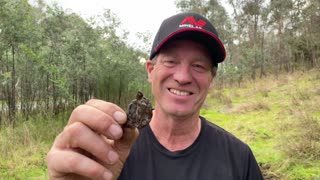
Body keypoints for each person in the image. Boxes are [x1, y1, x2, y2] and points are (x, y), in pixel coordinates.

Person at [46, 12, 264, 180]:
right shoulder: (107, 150)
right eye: (171, 61)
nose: (182, 77)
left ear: (211, 79)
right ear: (151, 70)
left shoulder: (239, 158)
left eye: (198, 65)